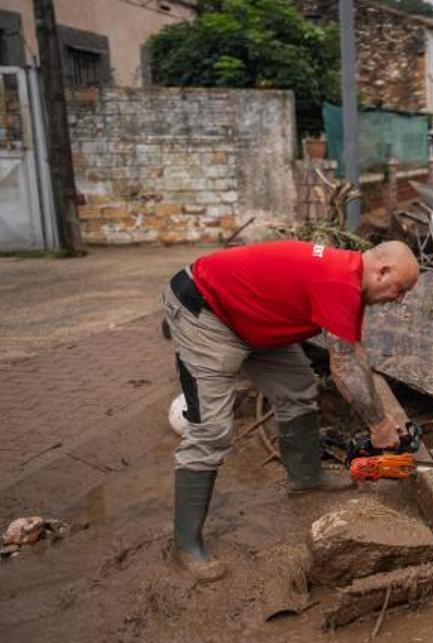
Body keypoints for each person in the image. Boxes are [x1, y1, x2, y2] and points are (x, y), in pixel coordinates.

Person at [162, 240, 419, 582]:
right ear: (382, 271)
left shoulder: (350, 278)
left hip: (248, 315)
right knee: (210, 431)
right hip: (206, 311)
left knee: (298, 387)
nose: (399, 299)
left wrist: (382, 419)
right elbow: (345, 371)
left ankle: (306, 477)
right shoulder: (339, 281)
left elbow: (354, 355)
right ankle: (185, 546)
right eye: (400, 290)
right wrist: (380, 426)